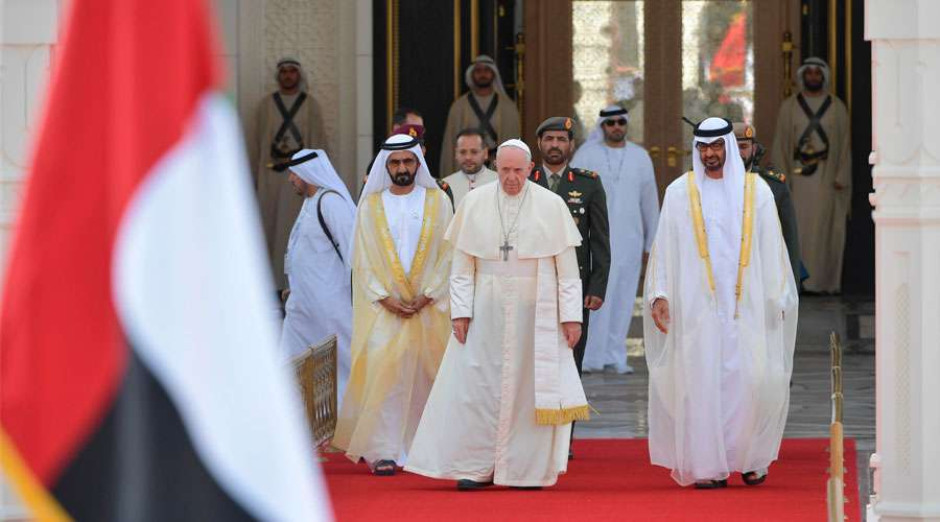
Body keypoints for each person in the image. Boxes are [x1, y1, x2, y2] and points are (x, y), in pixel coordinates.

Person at [405, 139, 588, 490]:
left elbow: (567, 270)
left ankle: (523, 470)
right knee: (476, 390)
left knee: (526, 392)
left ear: (530, 169)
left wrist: (571, 318)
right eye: (504, 170)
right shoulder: (474, 203)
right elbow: (461, 267)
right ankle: (477, 466)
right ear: (496, 166)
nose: (511, 178)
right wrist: (460, 312)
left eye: (518, 170)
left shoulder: (551, 205)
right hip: (485, 311)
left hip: (535, 314)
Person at [644, 117, 798, 489]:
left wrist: (779, 294)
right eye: (703, 148)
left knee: (751, 379)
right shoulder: (680, 192)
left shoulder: (756, 192)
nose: (710, 154)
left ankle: (750, 459)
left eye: (716, 147)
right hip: (696, 308)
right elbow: (664, 248)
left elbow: (773, 248)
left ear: (728, 147)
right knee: (700, 381)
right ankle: (708, 465)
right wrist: (660, 293)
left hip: (749, 307)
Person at [332, 134, 454, 476]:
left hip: (428, 307)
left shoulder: (438, 201)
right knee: (384, 378)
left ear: (419, 163)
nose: (402, 168)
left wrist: (429, 293)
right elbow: (363, 257)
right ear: (386, 166)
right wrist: (383, 296)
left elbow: (449, 254)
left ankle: (423, 450)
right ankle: (382, 450)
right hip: (383, 310)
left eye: (408, 161)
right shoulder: (370, 205)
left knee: (425, 378)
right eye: (395, 163)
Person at [571, 105, 659, 374]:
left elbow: (650, 203)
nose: (616, 127)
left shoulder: (641, 157)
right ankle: (589, 356)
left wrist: (651, 244)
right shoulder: (586, 154)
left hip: (630, 240)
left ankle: (614, 356)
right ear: (602, 126)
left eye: (621, 122)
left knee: (623, 298)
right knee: (595, 297)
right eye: (611, 123)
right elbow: (573, 198)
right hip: (594, 239)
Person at [528, 117, 610, 377]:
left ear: (572, 145)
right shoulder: (524, 179)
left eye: (561, 139)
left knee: (570, 358)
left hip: (574, 284)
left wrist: (597, 287)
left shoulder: (588, 183)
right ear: (539, 143)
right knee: (531, 359)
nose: (555, 145)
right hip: (529, 283)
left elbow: (599, 240)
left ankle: (566, 418)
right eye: (549, 139)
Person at [278, 149, 355, 406]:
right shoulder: (309, 203)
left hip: (330, 307)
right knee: (288, 365)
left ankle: (346, 421)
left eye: (293, 173)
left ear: (306, 173)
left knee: (341, 364)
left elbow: (352, 253)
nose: (290, 179)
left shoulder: (331, 203)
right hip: (302, 307)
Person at [771, 57, 851, 294]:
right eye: (810, 73)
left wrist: (841, 175)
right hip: (798, 180)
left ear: (823, 76)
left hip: (826, 178)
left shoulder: (837, 107)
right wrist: (781, 180)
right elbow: (780, 144)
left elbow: (845, 145)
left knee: (823, 232)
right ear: (803, 76)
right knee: (798, 230)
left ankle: (822, 283)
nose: (813, 77)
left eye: (818, 73)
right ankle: (798, 283)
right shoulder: (790, 107)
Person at [250, 57, 326, 293]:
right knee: (270, 231)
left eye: (293, 71)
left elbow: (318, 144)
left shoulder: (310, 105)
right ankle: (270, 286)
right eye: (284, 72)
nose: (288, 76)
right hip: (271, 177)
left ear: (299, 75)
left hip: (299, 180)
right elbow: (255, 144)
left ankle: (296, 285)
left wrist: (316, 179)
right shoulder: (265, 106)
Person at [734, 122, 801, 285]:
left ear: (754, 149)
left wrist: (792, 287)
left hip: (763, 276)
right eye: (732, 147)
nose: (737, 153)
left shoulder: (773, 185)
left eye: (743, 147)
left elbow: (789, 238)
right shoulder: (708, 185)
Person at [440, 55, 521, 176]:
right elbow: (450, 146)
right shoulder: (459, 107)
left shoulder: (508, 107)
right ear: (472, 75)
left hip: (497, 169)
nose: (482, 74)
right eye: (478, 71)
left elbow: (513, 145)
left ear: (493, 74)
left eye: (486, 70)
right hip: (467, 168)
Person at [442, 128, 498, 206]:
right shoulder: (445, 186)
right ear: (456, 154)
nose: (468, 157)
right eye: (463, 152)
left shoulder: (499, 182)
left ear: (485, 153)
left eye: (474, 152)